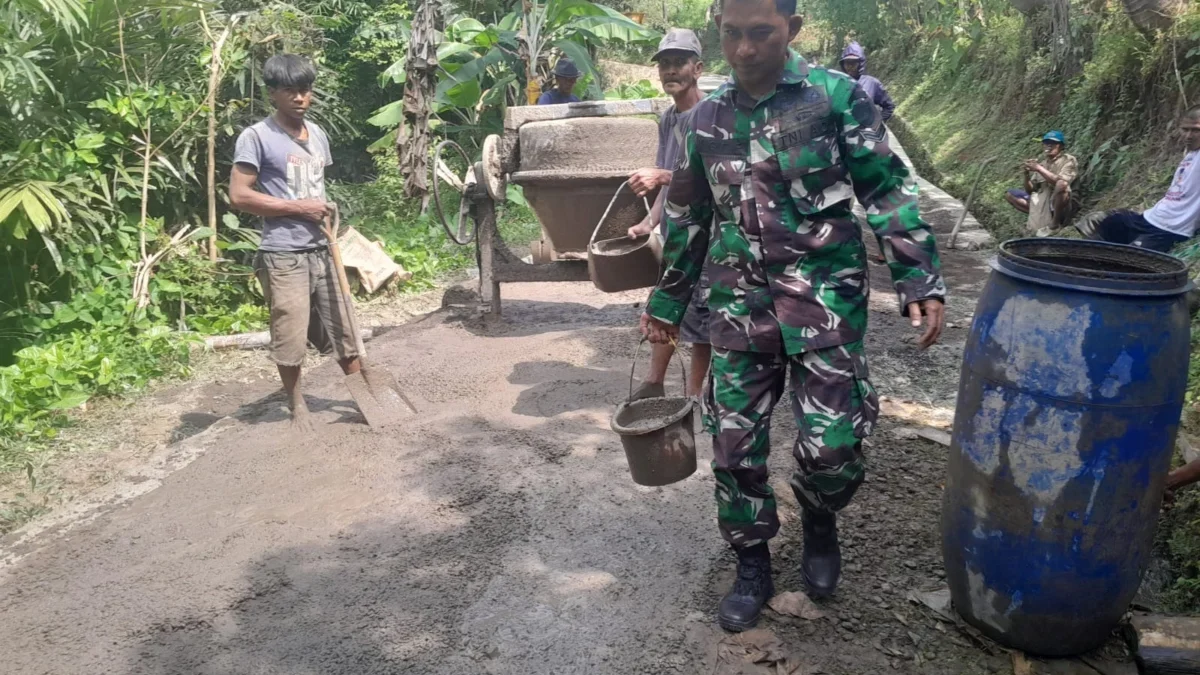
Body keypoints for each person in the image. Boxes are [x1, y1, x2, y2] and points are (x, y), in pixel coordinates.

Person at [640, 0, 946, 633]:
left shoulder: (835, 99)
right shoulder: (705, 121)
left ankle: (818, 514)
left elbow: (884, 187)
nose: (746, 49)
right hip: (738, 311)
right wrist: (666, 306)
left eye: (761, 33)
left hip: (824, 306)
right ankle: (752, 564)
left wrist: (917, 274)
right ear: (717, 35)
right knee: (734, 451)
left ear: (793, 31)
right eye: (732, 35)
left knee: (834, 450)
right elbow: (691, 219)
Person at [229, 54, 362, 432]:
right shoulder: (256, 137)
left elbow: (313, 187)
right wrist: (296, 208)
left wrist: (323, 211)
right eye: (290, 91)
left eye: (305, 90)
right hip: (283, 253)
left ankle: (363, 393)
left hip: (323, 248)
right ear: (273, 93)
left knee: (345, 327)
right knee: (290, 333)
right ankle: (296, 403)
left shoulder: (317, 134)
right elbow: (239, 196)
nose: (300, 98)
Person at [624, 28, 710, 400]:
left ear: (697, 68)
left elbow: (713, 180)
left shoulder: (710, 116)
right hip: (677, 230)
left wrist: (661, 175)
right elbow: (667, 180)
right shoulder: (668, 119)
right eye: (664, 65)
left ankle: (692, 395)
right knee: (666, 304)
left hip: (708, 233)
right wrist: (650, 221)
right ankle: (655, 382)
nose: (670, 71)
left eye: (679, 63)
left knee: (703, 314)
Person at [1075, 106, 1200, 252]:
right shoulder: (1190, 154)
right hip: (1148, 218)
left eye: (1196, 130)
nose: (1188, 136)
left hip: (1169, 230)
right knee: (1094, 221)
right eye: (1185, 130)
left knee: (1131, 260)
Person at [1004, 131, 1078, 236]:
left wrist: (1039, 169)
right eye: (1046, 142)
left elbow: (1061, 182)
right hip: (1043, 201)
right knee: (1010, 195)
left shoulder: (1068, 160)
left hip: (1060, 202)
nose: (1049, 145)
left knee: (1062, 184)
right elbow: (1031, 190)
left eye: (1053, 143)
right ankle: (1039, 217)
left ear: (1061, 146)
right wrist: (1026, 175)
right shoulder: (1042, 164)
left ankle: (1055, 223)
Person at [839, 41, 894, 122]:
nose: (850, 68)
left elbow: (889, 106)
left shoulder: (872, 83)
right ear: (843, 65)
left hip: (866, 131)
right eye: (847, 64)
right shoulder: (838, 83)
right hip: (844, 131)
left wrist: (878, 122)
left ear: (860, 64)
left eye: (853, 64)